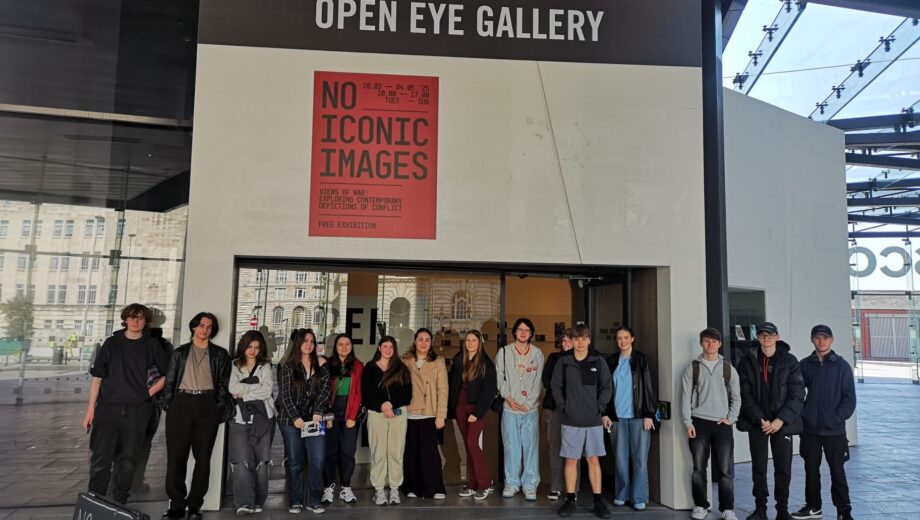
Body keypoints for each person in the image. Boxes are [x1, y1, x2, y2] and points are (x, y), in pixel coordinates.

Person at [83, 303, 167, 504]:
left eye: (140, 318)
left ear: (145, 321)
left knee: (128, 460)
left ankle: (119, 502)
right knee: (100, 459)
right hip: (107, 408)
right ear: (125, 320)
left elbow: (168, 375)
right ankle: (95, 501)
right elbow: (97, 377)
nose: (136, 321)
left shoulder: (152, 345)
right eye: (132, 317)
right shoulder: (112, 343)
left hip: (137, 410)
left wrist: (147, 393)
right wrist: (90, 410)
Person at [162, 312, 232, 520]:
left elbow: (223, 384)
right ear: (194, 327)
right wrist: (169, 405)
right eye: (201, 325)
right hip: (181, 404)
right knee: (176, 457)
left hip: (207, 405)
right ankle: (176, 505)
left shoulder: (220, 354)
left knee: (203, 458)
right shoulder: (180, 353)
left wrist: (217, 406)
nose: (205, 329)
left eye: (209, 327)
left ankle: (194, 506)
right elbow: (169, 383)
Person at [737, 322, 805, 520]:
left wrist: (780, 420)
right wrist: (759, 419)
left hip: (782, 424)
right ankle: (761, 509)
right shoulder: (746, 361)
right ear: (757, 338)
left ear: (777, 336)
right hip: (757, 423)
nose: (766, 339)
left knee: (783, 468)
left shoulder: (790, 360)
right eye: (762, 335)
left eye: (770, 335)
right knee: (759, 467)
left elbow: (798, 393)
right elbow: (744, 393)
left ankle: (782, 511)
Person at [791, 325, 856, 520]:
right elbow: (796, 393)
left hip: (834, 430)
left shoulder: (842, 366)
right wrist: (803, 414)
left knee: (837, 472)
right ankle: (813, 507)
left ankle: (844, 512)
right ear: (812, 340)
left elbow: (849, 398)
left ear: (832, 340)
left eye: (825, 338)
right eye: (818, 338)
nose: (822, 341)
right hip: (810, 429)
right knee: (811, 470)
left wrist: (837, 417)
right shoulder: (804, 365)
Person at [552, 324, 613, 519]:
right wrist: (564, 407)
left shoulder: (598, 362)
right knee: (571, 460)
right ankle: (571, 499)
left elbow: (607, 387)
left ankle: (598, 501)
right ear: (571, 341)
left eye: (583, 339)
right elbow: (555, 386)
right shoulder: (564, 362)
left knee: (593, 460)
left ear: (588, 340)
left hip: (593, 420)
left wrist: (600, 408)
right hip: (570, 420)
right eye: (576, 339)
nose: (579, 342)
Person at [681, 328, 741, 520]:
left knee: (724, 469)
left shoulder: (728, 368)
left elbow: (737, 397)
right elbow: (684, 397)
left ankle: (727, 508)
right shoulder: (693, 367)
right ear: (701, 343)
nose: (711, 344)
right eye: (707, 341)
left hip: (722, 424)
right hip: (699, 423)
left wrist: (731, 418)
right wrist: (687, 422)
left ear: (719, 344)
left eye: (714, 341)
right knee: (699, 468)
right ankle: (700, 505)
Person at [602, 326, 658, 511]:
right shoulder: (610, 361)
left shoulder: (641, 359)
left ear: (632, 339)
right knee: (619, 458)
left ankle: (639, 496)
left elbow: (649, 388)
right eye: (619, 338)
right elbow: (604, 389)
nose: (622, 341)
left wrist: (649, 414)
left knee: (640, 458)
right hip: (616, 417)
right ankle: (622, 493)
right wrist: (605, 413)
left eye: (626, 337)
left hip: (638, 417)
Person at [276, 328, 331, 515]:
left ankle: (314, 500)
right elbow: (284, 396)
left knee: (318, 459)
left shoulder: (322, 364)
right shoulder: (288, 366)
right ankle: (296, 500)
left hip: (315, 420)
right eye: (305, 341)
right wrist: (295, 417)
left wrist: (318, 411)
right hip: (291, 421)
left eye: (312, 341)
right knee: (295, 461)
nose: (309, 344)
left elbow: (325, 391)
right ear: (298, 343)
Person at [496, 317, 544, 500]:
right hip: (509, 408)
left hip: (530, 410)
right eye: (520, 330)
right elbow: (499, 376)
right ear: (514, 332)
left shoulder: (537, 354)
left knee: (530, 447)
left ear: (531, 333)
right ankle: (512, 483)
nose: (523, 333)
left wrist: (529, 403)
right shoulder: (504, 352)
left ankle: (530, 484)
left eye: (527, 330)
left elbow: (539, 381)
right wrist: (507, 397)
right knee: (511, 447)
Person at [228, 331, 276, 515]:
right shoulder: (234, 365)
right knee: (241, 461)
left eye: (257, 347)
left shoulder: (265, 366)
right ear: (243, 346)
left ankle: (258, 500)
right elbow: (232, 388)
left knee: (261, 462)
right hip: (240, 418)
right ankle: (244, 502)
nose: (253, 350)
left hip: (264, 419)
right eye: (250, 346)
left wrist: (245, 392)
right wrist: (255, 386)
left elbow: (267, 391)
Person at [447, 329, 498, 500]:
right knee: (468, 446)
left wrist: (477, 412)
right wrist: (452, 408)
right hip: (460, 408)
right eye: (467, 340)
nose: (470, 343)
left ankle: (485, 483)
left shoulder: (486, 363)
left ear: (480, 342)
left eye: (473, 340)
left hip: (477, 409)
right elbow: (453, 386)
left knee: (472, 443)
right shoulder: (458, 360)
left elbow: (489, 391)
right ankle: (472, 483)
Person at [362, 335, 413, 505]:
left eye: (391, 347)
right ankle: (379, 490)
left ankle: (394, 489)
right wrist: (381, 405)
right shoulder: (369, 368)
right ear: (379, 348)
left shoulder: (401, 368)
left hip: (398, 414)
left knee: (396, 452)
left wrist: (391, 404)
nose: (388, 350)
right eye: (385, 346)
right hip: (377, 414)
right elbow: (367, 393)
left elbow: (407, 393)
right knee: (379, 452)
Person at [401, 327, 448, 500]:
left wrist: (441, 415)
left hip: (430, 412)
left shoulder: (438, 361)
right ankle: (412, 487)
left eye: (427, 340)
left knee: (430, 454)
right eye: (420, 339)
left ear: (431, 343)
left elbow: (443, 390)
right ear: (415, 341)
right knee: (411, 452)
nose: (423, 343)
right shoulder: (405, 361)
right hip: (409, 412)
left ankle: (435, 488)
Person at [321, 333, 364, 505]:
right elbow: (324, 393)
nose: (344, 347)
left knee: (348, 453)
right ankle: (328, 488)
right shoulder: (328, 365)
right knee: (330, 453)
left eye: (347, 344)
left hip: (350, 416)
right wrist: (328, 417)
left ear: (351, 347)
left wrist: (353, 417)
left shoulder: (359, 366)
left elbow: (359, 393)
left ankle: (346, 487)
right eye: (340, 344)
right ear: (335, 346)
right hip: (331, 414)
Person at [542, 328, 576, 501]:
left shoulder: (581, 359)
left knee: (574, 449)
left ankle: (573, 489)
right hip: (556, 408)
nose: (566, 344)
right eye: (564, 341)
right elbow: (546, 380)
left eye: (569, 341)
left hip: (576, 411)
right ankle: (556, 487)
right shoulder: (554, 358)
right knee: (555, 447)